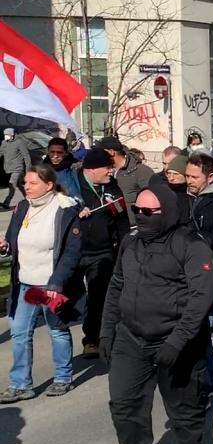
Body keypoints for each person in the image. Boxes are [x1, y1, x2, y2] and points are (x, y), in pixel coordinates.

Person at [102, 186, 213, 444]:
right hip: (130, 338)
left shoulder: (191, 245)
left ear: (166, 212)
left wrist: (177, 341)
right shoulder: (130, 242)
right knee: (124, 404)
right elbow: (116, 287)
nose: (140, 217)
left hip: (176, 340)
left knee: (183, 405)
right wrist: (107, 331)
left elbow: (200, 297)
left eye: (148, 212)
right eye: (136, 210)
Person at [0, 164, 82, 403]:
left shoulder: (65, 208)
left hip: (50, 284)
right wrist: (6, 246)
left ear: (48, 185)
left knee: (56, 329)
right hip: (24, 283)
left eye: (32, 183)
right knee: (19, 333)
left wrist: (56, 282)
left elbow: (71, 252)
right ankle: (20, 384)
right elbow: (15, 239)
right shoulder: (23, 207)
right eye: (25, 182)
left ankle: (62, 378)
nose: (26, 187)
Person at [74, 148, 127, 360]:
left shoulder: (112, 187)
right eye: (108, 167)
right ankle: (60, 333)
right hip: (76, 251)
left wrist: (124, 245)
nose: (111, 171)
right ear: (92, 169)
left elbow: (122, 218)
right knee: (74, 297)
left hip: (103, 251)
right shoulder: (71, 186)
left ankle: (93, 339)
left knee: (99, 297)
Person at [97, 136, 154, 226]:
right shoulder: (105, 172)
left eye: (101, 152)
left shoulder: (141, 171)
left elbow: (153, 200)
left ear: (111, 152)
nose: (98, 155)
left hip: (136, 227)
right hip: (114, 227)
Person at [0, 126, 31, 208]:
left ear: (12, 135)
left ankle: (7, 202)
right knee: (19, 185)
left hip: (18, 168)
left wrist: (28, 170)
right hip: (8, 168)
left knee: (12, 184)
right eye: (5, 134)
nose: (5, 136)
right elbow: (1, 152)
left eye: (7, 134)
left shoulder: (19, 142)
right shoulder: (4, 142)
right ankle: (29, 198)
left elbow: (26, 156)